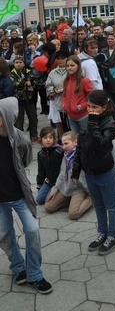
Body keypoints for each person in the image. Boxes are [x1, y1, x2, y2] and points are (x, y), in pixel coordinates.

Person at [0, 97, 52, 294]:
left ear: (7, 116)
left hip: (19, 195)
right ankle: (18, 267)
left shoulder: (21, 139)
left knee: (32, 230)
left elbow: (26, 159)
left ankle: (35, 274)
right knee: (3, 234)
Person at [72, 90, 115, 255]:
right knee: (98, 205)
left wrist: (93, 123)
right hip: (89, 173)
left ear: (104, 107)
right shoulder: (85, 122)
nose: (91, 110)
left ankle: (112, 235)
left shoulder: (110, 123)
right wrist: (76, 170)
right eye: (89, 106)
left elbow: (102, 146)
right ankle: (102, 233)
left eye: (95, 107)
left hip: (104, 172)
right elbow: (80, 147)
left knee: (111, 206)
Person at [45, 131, 92, 219]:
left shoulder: (81, 156)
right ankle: (70, 200)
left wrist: (89, 191)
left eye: (66, 143)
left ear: (75, 142)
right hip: (66, 187)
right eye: (62, 144)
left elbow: (83, 178)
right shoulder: (66, 155)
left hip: (79, 188)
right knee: (48, 207)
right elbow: (62, 173)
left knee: (73, 214)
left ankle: (90, 200)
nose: (64, 147)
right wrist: (55, 188)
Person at [62, 56, 94, 133]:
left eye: (72, 65)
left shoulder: (84, 81)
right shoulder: (66, 80)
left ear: (78, 66)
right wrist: (64, 104)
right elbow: (64, 95)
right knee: (75, 139)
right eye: (67, 66)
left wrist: (80, 106)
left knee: (85, 138)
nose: (69, 68)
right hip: (70, 116)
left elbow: (92, 97)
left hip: (83, 116)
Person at [10, 56, 38, 142]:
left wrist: (31, 84)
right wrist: (24, 81)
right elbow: (15, 83)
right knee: (19, 119)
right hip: (18, 99)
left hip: (29, 98)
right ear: (14, 64)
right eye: (16, 62)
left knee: (33, 118)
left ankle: (34, 135)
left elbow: (35, 82)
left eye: (20, 62)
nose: (18, 64)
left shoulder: (29, 72)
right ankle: (19, 136)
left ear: (24, 63)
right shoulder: (12, 73)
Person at [45, 49, 70, 139]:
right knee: (58, 121)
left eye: (62, 58)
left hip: (70, 101)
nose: (60, 60)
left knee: (70, 123)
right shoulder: (53, 72)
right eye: (58, 58)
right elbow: (47, 86)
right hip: (57, 101)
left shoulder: (71, 70)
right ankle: (61, 139)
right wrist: (53, 90)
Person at [36, 127, 64, 205]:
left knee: (47, 201)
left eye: (50, 138)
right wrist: (39, 185)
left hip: (59, 182)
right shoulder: (41, 154)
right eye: (45, 138)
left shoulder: (59, 151)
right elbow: (41, 171)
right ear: (41, 139)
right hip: (49, 181)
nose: (48, 140)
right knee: (39, 200)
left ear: (54, 139)